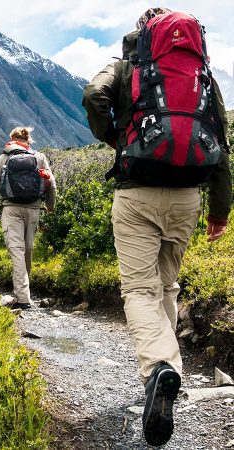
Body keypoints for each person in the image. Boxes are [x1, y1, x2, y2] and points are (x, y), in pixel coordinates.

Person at [82, 7, 232, 447]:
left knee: (139, 290)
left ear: (143, 31)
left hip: (137, 193)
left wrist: (112, 136)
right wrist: (220, 211)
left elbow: (93, 96)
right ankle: (168, 371)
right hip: (188, 196)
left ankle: (159, 369)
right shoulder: (202, 74)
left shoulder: (127, 65)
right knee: (167, 286)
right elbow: (220, 140)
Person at [0, 127, 56, 310]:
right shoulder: (39, 157)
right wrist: (50, 205)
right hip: (34, 209)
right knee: (28, 249)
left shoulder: (3, 158)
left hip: (11, 209)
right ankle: (24, 293)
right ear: (28, 140)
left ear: (11, 139)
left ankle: (23, 298)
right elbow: (51, 183)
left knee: (16, 250)